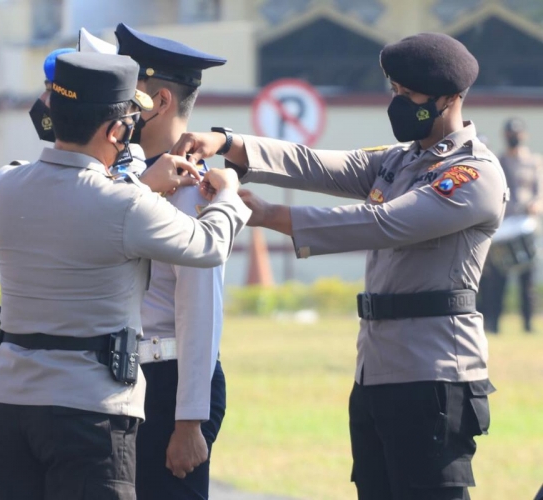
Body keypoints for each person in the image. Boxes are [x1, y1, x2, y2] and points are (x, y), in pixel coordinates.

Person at [171, 33, 505, 500]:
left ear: (450, 98)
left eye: (410, 94)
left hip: (435, 375)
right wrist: (228, 142)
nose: (397, 102)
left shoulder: (473, 174)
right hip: (376, 370)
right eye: (394, 90)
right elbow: (315, 164)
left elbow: (383, 223)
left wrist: (272, 215)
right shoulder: (401, 161)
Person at [0, 52, 250, 500]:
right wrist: (230, 194)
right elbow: (207, 246)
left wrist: (140, 185)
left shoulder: (3, 184)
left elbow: (77, 211)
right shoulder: (126, 204)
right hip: (88, 411)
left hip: (8, 404)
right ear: (116, 131)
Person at [114, 22, 228, 499]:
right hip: (122, 376)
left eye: (128, 95)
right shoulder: (125, 178)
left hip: (168, 383)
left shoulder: (193, 190)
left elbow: (200, 310)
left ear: (159, 101)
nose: (118, 107)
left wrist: (190, 421)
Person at [478, 117, 543, 333]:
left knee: (527, 280)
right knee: (498, 279)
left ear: (524, 135)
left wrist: (536, 205)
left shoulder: (534, 162)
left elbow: (539, 193)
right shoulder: (500, 161)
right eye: (510, 134)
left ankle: (528, 324)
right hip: (504, 227)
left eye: (516, 134)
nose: (513, 138)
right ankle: (494, 324)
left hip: (525, 224)